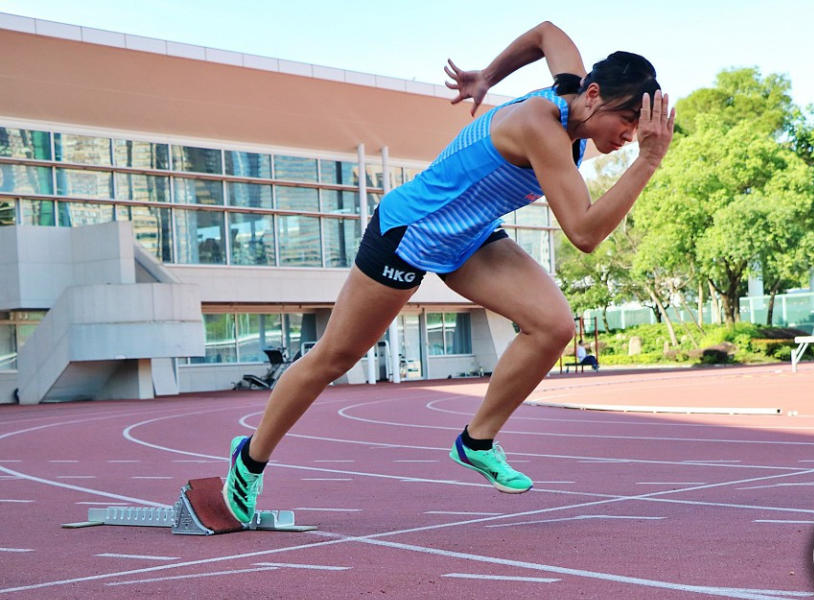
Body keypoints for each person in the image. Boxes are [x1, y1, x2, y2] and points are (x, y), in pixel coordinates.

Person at [222, 21, 675, 522]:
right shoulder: (540, 126)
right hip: (409, 232)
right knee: (335, 357)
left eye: (640, 130)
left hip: (471, 236)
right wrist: (648, 161)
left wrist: (486, 76)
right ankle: (249, 460)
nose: (631, 136)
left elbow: (547, 33)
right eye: (628, 122)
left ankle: (477, 440)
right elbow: (585, 234)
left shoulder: (573, 89)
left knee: (554, 326)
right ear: (593, 95)